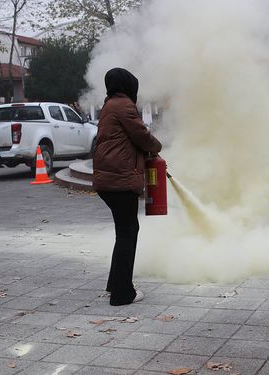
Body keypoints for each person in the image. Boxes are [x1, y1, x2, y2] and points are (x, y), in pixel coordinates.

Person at [92, 68, 162, 306]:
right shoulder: (123, 105)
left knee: (124, 232)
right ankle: (123, 293)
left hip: (109, 180)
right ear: (128, 86)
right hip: (119, 181)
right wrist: (157, 146)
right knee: (128, 233)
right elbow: (141, 135)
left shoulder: (109, 105)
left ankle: (116, 285)